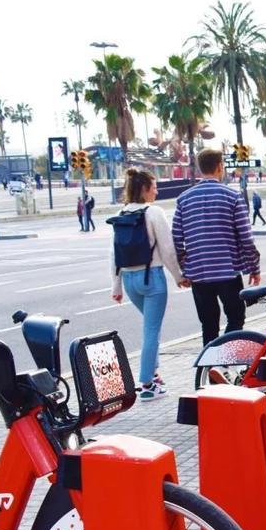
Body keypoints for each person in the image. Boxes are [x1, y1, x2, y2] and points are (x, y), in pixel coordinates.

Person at [172, 148, 262, 346]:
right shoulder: (232, 196)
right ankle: (224, 358)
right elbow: (246, 238)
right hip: (227, 273)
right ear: (220, 167)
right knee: (236, 318)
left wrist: (185, 268)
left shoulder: (183, 199)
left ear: (199, 168)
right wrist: (254, 268)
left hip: (199, 274)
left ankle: (211, 368)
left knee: (209, 324)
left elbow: (177, 240)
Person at [109, 169, 184, 401]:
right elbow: (168, 249)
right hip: (152, 278)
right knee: (151, 330)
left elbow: (114, 253)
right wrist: (179, 276)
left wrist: (116, 286)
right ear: (144, 189)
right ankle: (147, 384)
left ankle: (153, 372)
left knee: (152, 327)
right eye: (154, 187)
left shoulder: (121, 213)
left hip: (130, 280)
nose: (157, 190)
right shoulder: (154, 212)